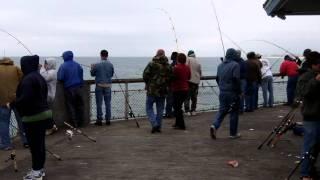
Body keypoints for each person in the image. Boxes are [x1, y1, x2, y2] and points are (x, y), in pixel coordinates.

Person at [11, 55, 51, 180]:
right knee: (40, 144)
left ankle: (36, 172)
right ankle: (39, 169)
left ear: (25, 65)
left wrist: (13, 103)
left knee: (34, 146)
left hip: (33, 117)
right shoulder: (39, 77)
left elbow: (25, 99)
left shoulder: (28, 79)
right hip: (44, 113)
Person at [295, 51, 320, 180]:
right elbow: (303, 93)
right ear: (313, 65)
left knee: (316, 147)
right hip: (311, 116)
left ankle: (311, 168)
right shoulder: (305, 77)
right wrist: (315, 81)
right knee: (309, 145)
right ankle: (305, 174)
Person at [210, 48, 241, 139]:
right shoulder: (236, 65)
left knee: (222, 111)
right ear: (234, 55)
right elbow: (236, 79)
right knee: (234, 112)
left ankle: (214, 126)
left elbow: (217, 78)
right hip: (232, 93)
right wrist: (239, 91)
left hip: (222, 92)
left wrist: (221, 86)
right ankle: (233, 133)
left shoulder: (220, 65)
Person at [0, 57, 28, 150]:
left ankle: (6, 144)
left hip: (2, 101)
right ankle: (26, 141)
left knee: (3, 123)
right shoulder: (16, 68)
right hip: (17, 100)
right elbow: (23, 81)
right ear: (10, 62)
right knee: (21, 121)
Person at [143, 49, 172, 133]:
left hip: (152, 90)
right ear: (164, 55)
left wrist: (147, 83)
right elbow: (171, 77)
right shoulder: (168, 66)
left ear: (156, 54)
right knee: (160, 109)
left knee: (149, 108)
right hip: (163, 90)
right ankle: (158, 127)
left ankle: (154, 124)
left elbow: (145, 75)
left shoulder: (151, 64)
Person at [57, 51, 84, 128]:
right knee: (80, 106)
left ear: (65, 57)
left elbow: (60, 78)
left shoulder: (63, 66)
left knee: (71, 106)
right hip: (79, 88)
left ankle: (74, 124)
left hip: (69, 89)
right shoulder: (78, 65)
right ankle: (80, 123)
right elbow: (81, 75)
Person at [91, 50, 114, 126]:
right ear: (107, 55)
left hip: (99, 86)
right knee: (108, 103)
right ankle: (108, 120)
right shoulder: (111, 64)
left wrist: (92, 68)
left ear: (101, 55)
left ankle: (99, 120)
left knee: (99, 104)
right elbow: (111, 74)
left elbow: (92, 74)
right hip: (108, 86)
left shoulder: (97, 64)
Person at [172, 53, 191, 130]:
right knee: (178, 106)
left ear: (178, 59)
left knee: (177, 107)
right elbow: (189, 77)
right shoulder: (187, 67)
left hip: (177, 89)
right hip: (185, 89)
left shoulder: (176, 68)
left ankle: (181, 125)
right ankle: (177, 123)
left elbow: (173, 78)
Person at [40, 58, 58, 135]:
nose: (45, 65)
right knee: (47, 112)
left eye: (46, 63)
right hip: (47, 95)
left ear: (50, 64)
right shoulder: (49, 71)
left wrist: (42, 68)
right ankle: (53, 126)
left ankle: (51, 127)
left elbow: (43, 78)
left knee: (46, 113)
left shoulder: (52, 72)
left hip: (49, 95)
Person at [184, 50, 202, 116]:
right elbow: (200, 72)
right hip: (196, 82)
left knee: (187, 97)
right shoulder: (197, 61)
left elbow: (185, 68)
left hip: (188, 81)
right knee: (194, 97)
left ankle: (187, 111)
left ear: (188, 54)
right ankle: (193, 110)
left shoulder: (187, 59)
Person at [165, 52, 178, 118]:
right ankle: (175, 112)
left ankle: (168, 113)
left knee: (169, 99)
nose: (170, 56)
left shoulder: (172, 65)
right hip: (177, 86)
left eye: (172, 55)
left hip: (171, 85)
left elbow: (169, 75)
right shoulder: (178, 64)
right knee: (175, 100)